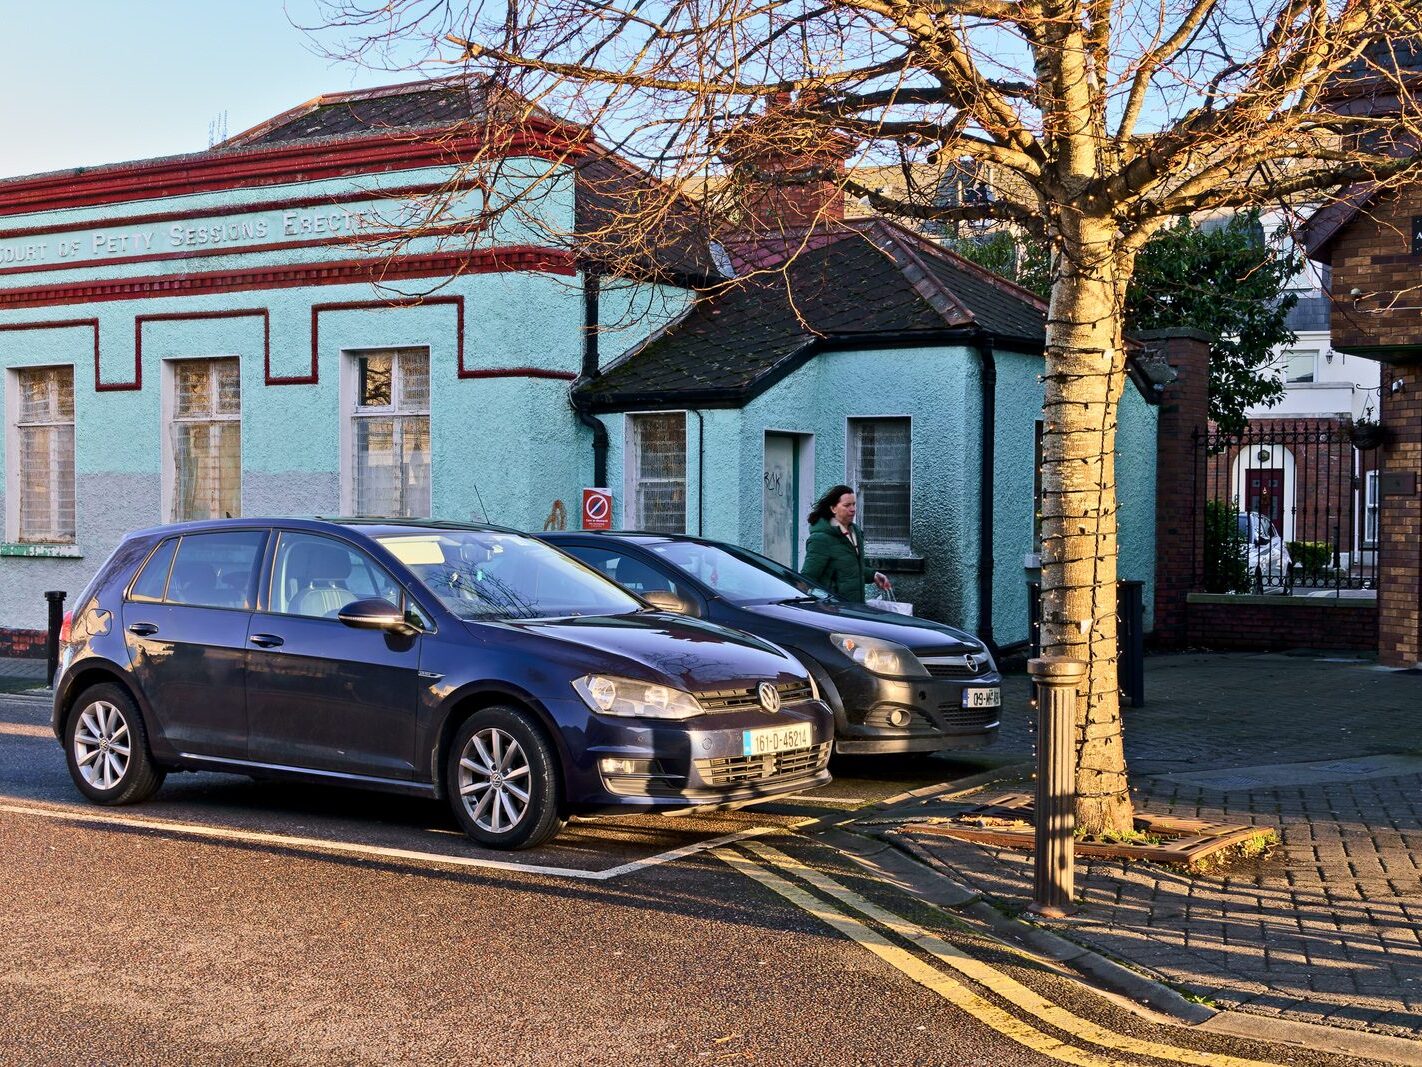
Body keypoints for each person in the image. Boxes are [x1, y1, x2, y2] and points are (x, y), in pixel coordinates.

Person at [801, 484, 890, 603]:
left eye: (853, 504)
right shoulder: (821, 539)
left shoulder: (856, 532)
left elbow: (849, 568)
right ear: (833, 508)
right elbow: (807, 580)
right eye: (847, 505)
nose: (852, 509)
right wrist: (824, 602)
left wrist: (873, 575)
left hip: (856, 608)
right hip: (835, 612)